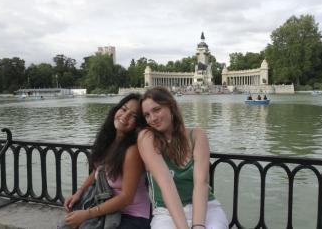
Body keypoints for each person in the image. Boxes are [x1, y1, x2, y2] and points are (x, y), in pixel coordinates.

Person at [137, 87, 228, 229]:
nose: (152, 119)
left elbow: (201, 183)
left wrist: (198, 226)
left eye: (157, 110)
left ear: (171, 107)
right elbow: (166, 183)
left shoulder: (197, 135)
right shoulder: (147, 138)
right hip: (166, 212)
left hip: (206, 208)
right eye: (147, 115)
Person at [63, 93, 151, 229]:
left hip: (132, 216)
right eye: (124, 109)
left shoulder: (132, 151)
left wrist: (87, 214)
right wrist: (79, 192)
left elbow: (127, 198)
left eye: (133, 116)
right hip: (108, 210)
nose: (125, 116)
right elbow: (98, 170)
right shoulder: (109, 141)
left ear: (138, 124)